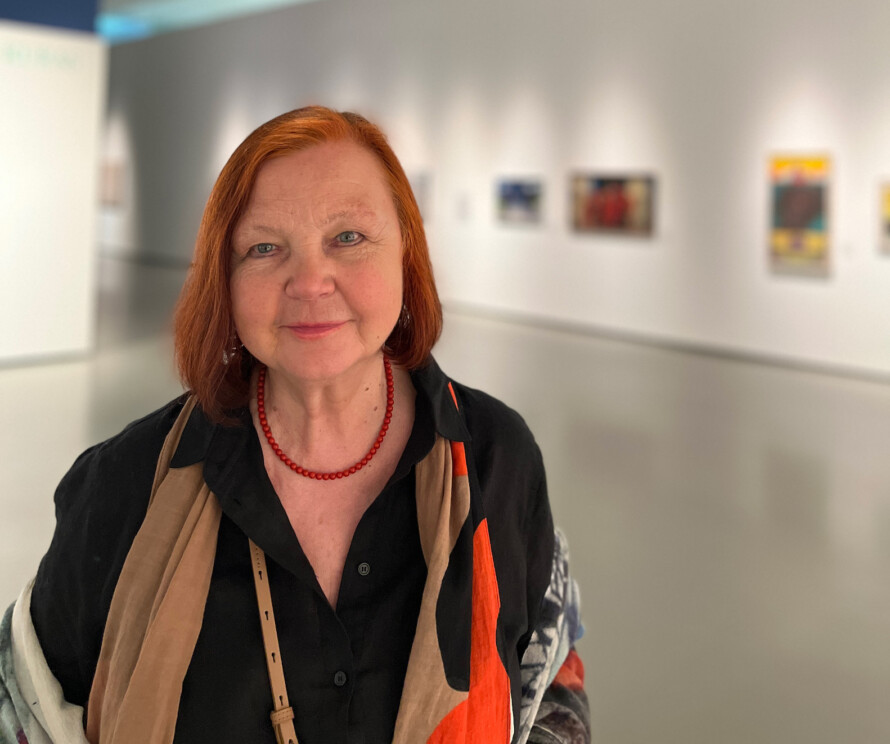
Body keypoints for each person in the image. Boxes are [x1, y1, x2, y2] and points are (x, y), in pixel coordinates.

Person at [0, 106, 588, 744]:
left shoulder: (498, 456)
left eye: (348, 237)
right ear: (224, 278)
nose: (309, 282)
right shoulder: (123, 483)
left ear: (406, 255)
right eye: (264, 248)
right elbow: (24, 707)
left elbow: (550, 681)